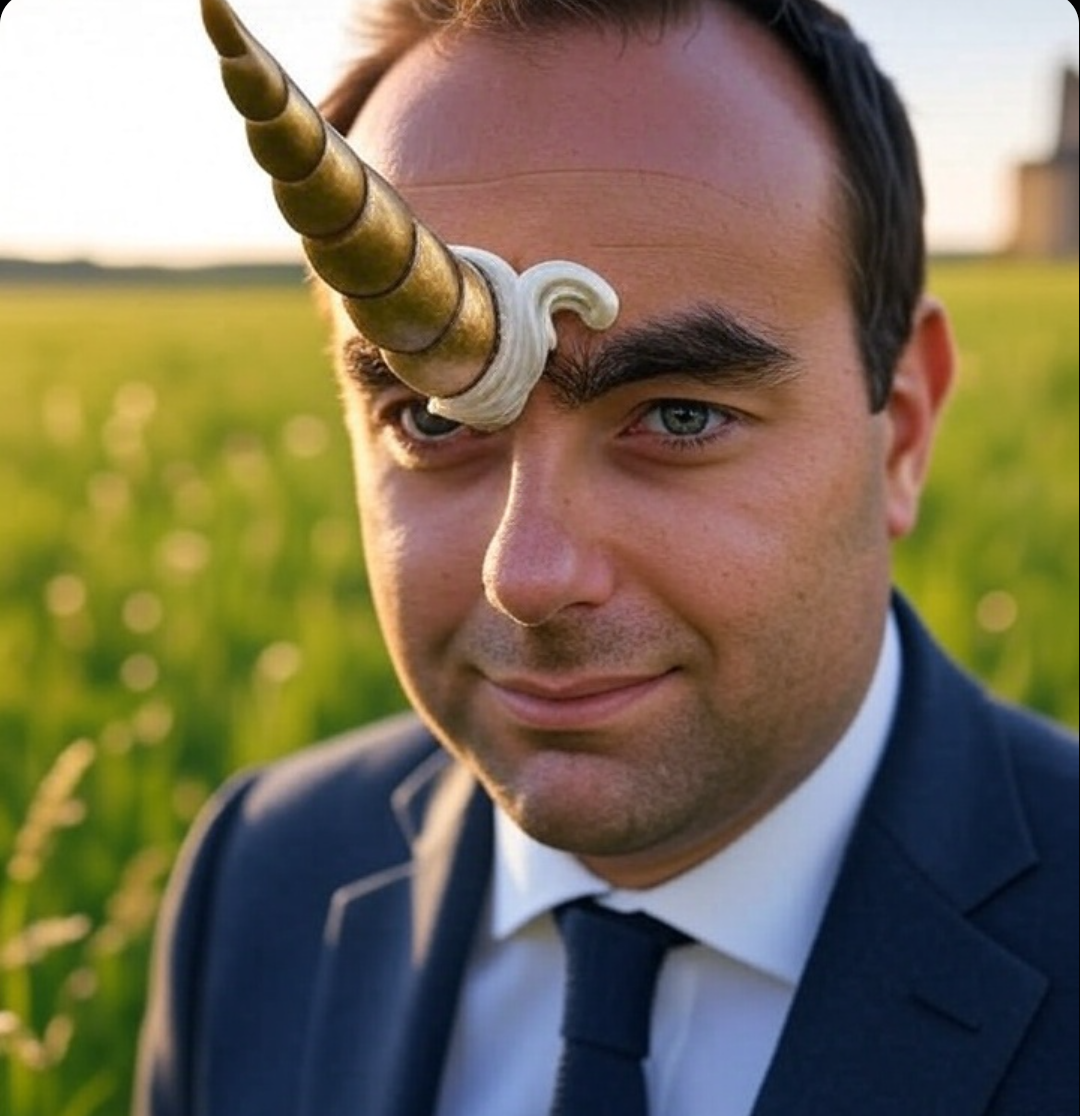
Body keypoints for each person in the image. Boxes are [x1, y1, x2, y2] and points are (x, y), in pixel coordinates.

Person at [135, 1, 1078, 1114]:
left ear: (904, 429)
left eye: (680, 416)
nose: (527, 576)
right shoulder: (261, 875)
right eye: (431, 419)